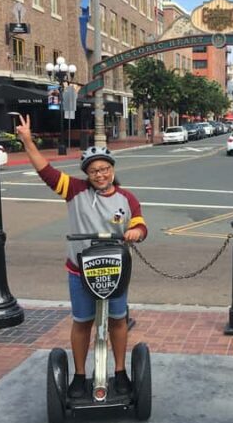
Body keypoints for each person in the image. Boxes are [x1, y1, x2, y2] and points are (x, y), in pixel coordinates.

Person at [15, 114, 147, 398]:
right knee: (83, 321)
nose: (100, 175)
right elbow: (46, 171)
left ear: (112, 170)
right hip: (80, 270)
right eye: (94, 171)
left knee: (117, 319)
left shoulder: (126, 198)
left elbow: (139, 223)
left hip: (114, 270)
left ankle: (121, 372)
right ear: (87, 174)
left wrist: (136, 232)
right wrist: (27, 141)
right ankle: (79, 375)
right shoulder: (74, 191)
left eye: (104, 169)